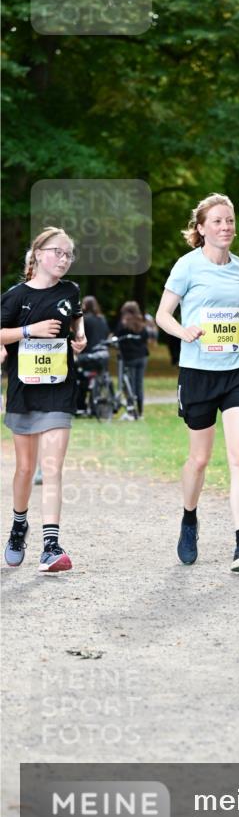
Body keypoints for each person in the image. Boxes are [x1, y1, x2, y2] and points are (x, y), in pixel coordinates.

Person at [155, 192, 239, 571]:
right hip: (198, 372)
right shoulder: (187, 267)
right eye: (218, 221)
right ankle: (189, 518)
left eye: (230, 220)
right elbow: (162, 315)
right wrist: (183, 331)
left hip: (238, 370)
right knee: (200, 459)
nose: (226, 227)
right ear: (201, 228)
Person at [1, 227, 86, 571]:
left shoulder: (71, 291)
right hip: (24, 390)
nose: (64, 259)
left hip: (59, 388)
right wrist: (28, 331)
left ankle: (51, 545)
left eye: (68, 255)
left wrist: (80, 336)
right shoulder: (15, 296)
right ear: (38, 254)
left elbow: (77, 319)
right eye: (57, 252)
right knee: (25, 468)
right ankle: (19, 525)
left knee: (52, 467)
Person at [115, 301, 150, 418]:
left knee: (129, 385)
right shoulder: (141, 323)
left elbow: (117, 338)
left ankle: (131, 411)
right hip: (142, 357)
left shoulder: (124, 323)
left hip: (129, 358)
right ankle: (140, 412)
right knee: (139, 385)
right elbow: (145, 338)